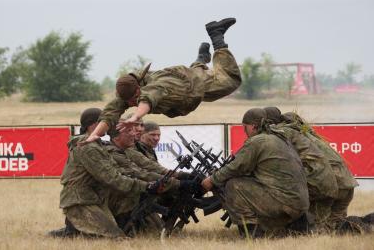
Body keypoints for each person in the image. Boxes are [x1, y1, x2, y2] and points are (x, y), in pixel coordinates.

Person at [84, 17, 242, 143]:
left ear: (138, 89)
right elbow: (110, 114)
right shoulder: (126, 92)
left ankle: (217, 36)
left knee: (230, 82)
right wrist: (94, 135)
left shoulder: (156, 87)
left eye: (133, 100)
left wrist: (135, 117)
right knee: (205, 87)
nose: (132, 104)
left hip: (190, 85)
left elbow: (148, 98)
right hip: (184, 94)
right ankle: (200, 60)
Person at [48, 109, 161, 238]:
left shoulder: (97, 145)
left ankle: (74, 230)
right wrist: (146, 186)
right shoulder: (88, 147)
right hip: (80, 201)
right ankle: (71, 230)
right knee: (115, 237)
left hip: (94, 198)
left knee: (119, 227)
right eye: (106, 121)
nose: (109, 124)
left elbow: (118, 171)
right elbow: (112, 178)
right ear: (94, 125)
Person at [201, 108, 309, 237]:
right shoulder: (280, 138)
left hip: (284, 201)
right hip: (300, 202)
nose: (244, 131)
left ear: (253, 126)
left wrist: (212, 180)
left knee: (233, 185)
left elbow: (235, 167)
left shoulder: (257, 142)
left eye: (244, 127)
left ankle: (252, 232)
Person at [279, 111, 360, 232]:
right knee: (337, 225)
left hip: (333, 186)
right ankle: (364, 226)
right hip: (347, 184)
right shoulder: (312, 137)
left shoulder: (296, 139)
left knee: (319, 227)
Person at [264, 107, 339, 230]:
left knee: (317, 228)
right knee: (330, 226)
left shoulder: (282, 132)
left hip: (317, 182)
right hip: (327, 183)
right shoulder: (297, 131)